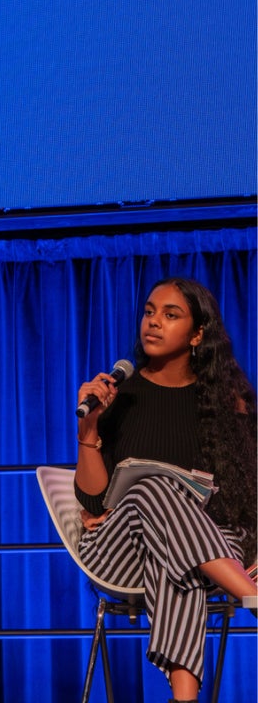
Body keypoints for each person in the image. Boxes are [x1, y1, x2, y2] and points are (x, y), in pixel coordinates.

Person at [73, 277, 257, 702]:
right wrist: (88, 429)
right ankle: (251, 596)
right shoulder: (120, 396)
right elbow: (94, 500)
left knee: (178, 559)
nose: (153, 322)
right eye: (150, 311)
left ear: (197, 334)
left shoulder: (225, 401)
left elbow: (246, 491)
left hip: (204, 547)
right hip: (120, 551)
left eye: (170, 315)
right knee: (150, 488)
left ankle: (184, 699)